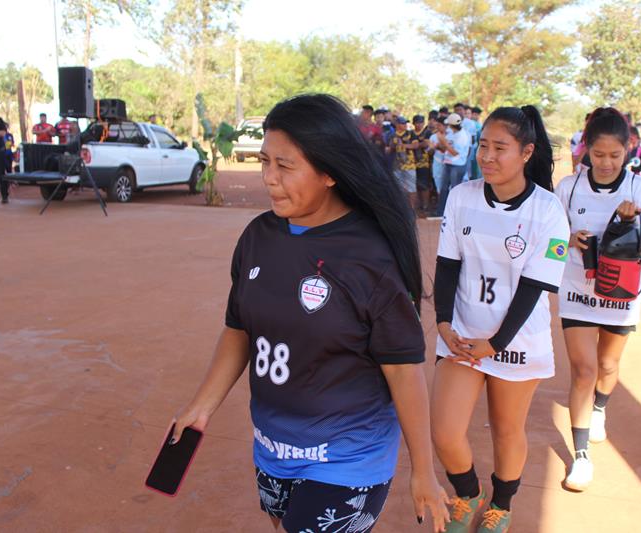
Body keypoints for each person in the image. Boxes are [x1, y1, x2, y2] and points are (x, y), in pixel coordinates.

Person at [168, 94, 449, 533]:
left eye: (285, 166)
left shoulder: (370, 257)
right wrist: (201, 407)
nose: (269, 178)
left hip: (349, 456)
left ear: (329, 172)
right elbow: (239, 330)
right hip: (272, 446)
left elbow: (404, 372)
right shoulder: (258, 237)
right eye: (264, 162)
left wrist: (423, 469)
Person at [432, 105, 569, 532]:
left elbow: (534, 287)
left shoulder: (547, 211)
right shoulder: (461, 196)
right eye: (483, 146)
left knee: (508, 430)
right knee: (444, 432)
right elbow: (447, 266)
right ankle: (468, 494)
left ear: (527, 152)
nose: (487, 156)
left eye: (500, 148)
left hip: (516, 341)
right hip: (463, 335)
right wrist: (443, 323)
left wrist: (497, 343)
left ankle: (501, 506)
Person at [555, 107, 641, 492]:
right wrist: (568, 239)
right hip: (578, 289)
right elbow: (549, 233)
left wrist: (629, 227)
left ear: (628, 150)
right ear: (586, 149)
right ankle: (581, 457)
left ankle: (600, 406)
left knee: (608, 364)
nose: (606, 163)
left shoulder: (639, 188)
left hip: (621, 290)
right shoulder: (567, 187)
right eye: (599, 154)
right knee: (583, 370)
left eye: (614, 155)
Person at [435, 113, 471, 217]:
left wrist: (443, 142)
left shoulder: (462, 136)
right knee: (444, 188)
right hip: (448, 163)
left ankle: (456, 213)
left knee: (455, 189)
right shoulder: (451, 133)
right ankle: (441, 212)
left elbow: (455, 153)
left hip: (457, 165)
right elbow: (446, 148)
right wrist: (440, 144)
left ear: (451, 124)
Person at [391, 116, 420, 207]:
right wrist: (391, 147)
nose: (405, 125)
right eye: (402, 123)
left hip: (409, 165)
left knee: (411, 188)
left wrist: (403, 145)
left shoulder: (410, 133)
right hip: (396, 166)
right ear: (397, 124)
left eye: (405, 123)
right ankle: (401, 209)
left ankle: (412, 210)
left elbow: (416, 145)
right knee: (398, 188)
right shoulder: (392, 135)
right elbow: (389, 149)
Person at [413, 114, 433, 214]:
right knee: (416, 185)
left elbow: (426, 144)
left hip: (424, 163)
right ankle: (419, 205)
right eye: (417, 122)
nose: (419, 124)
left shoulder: (427, 132)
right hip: (412, 163)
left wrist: (415, 145)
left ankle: (425, 205)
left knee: (424, 185)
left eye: (421, 122)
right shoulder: (411, 132)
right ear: (414, 123)